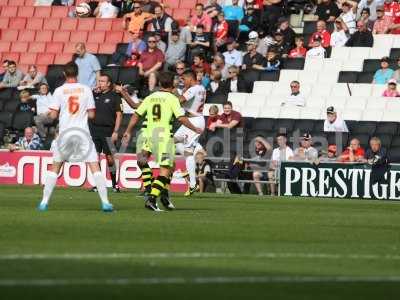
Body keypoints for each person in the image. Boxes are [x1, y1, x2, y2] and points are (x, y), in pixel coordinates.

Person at [38, 62, 114, 212]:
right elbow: (92, 114)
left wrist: (49, 113)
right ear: (77, 73)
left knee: (55, 167)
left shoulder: (59, 91)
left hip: (65, 132)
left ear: (65, 74)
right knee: (94, 166)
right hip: (82, 133)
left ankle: (44, 202)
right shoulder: (86, 90)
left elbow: (53, 115)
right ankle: (105, 202)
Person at [122, 72, 203, 211]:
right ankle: (152, 198)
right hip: (163, 138)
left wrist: (128, 131)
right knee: (166, 169)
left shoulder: (150, 97)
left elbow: (136, 114)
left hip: (148, 136)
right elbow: (181, 118)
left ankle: (163, 194)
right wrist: (194, 128)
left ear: (159, 83)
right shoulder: (172, 99)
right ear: (172, 84)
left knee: (162, 164)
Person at [174, 71, 207, 197]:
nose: (183, 82)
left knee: (188, 152)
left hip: (193, 122)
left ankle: (193, 184)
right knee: (174, 141)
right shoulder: (202, 88)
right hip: (192, 120)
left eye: (184, 79)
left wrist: (174, 92)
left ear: (190, 78)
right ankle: (189, 170)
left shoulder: (193, 89)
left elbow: (180, 101)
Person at [89, 74, 122, 193]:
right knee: (95, 157)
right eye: (99, 81)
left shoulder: (115, 96)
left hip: (108, 131)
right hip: (95, 130)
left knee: (110, 158)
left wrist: (116, 131)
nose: (100, 83)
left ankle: (114, 184)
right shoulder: (94, 95)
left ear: (109, 83)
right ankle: (98, 184)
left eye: (102, 81)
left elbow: (119, 115)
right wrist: (93, 90)